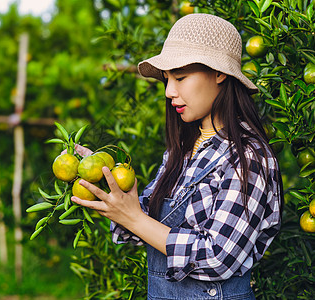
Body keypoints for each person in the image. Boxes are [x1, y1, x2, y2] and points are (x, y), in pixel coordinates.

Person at [71, 13, 283, 299]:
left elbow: (219, 257)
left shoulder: (249, 157)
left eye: (181, 77)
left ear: (219, 73)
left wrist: (134, 219)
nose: (170, 92)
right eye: (167, 79)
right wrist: (106, 182)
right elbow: (141, 229)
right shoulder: (180, 151)